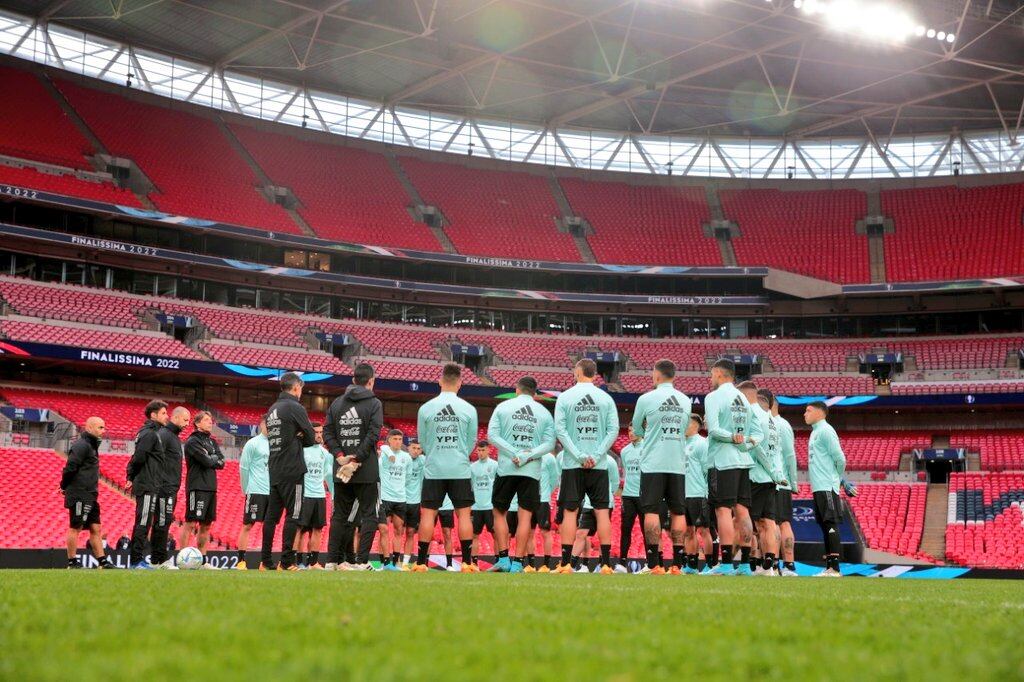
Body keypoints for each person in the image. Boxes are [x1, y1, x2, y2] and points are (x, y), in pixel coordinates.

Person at [553, 358, 619, 575]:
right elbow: (613, 430)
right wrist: (597, 454)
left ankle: (564, 564)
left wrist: (580, 456)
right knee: (602, 513)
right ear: (595, 373)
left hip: (573, 464)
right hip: (599, 465)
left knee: (570, 512)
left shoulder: (565, 396)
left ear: (578, 372)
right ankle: (607, 565)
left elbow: (560, 431)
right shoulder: (606, 398)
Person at [412, 363, 478, 573]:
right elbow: (472, 442)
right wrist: (458, 453)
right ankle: (467, 563)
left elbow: (423, 440)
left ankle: (421, 563)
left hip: (434, 468)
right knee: (464, 515)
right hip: (459, 468)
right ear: (460, 383)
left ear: (440, 381)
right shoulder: (468, 409)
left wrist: (435, 453)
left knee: (428, 515)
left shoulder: (426, 408)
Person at [487, 375, 557, 573]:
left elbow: (492, 436)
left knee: (499, 512)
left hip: (507, 468)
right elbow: (549, 444)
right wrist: (528, 455)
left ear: (517, 389)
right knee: (525, 518)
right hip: (531, 471)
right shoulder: (543, 412)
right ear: (535, 393)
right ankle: (518, 563)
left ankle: (503, 559)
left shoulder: (503, 407)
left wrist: (513, 453)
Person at [632, 359, 692, 575]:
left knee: (651, 510)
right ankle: (677, 564)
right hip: (677, 463)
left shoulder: (646, 398)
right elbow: (684, 428)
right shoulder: (685, 401)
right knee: (678, 512)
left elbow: (637, 428)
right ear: (674, 376)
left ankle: (654, 563)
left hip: (653, 463)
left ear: (657, 375)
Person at [323, 363, 384, 571]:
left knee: (339, 514)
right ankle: (361, 561)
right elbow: (373, 435)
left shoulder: (336, 403)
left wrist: (340, 456)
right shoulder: (374, 403)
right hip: (365, 470)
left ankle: (332, 561)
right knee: (370, 515)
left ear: (353, 381)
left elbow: (327, 432)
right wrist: (356, 460)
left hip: (341, 469)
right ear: (371, 381)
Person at [704, 359, 761, 576]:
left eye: (711, 375)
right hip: (743, 461)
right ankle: (745, 564)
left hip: (722, 460)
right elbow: (758, 432)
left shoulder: (714, 397)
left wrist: (733, 437)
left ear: (719, 373)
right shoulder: (744, 400)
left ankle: (726, 563)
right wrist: (746, 442)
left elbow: (713, 430)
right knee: (743, 511)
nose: (710, 379)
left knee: (723, 510)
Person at [262, 372, 317, 571]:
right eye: (301, 388)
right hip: (292, 469)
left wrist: (296, 436)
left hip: (275, 468)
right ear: (295, 388)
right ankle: (286, 562)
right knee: (293, 515)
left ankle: (265, 561)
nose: (301, 392)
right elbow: (311, 437)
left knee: (271, 517)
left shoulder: (272, 409)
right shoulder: (295, 407)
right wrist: (300, 436)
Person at [739, 384, 786, 576]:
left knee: (745, 520)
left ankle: (742, 564)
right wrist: (775, 473)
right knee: (767, 523)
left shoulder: (753, 413)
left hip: (757, 474)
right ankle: (769, 566)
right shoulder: (771, 419)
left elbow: (757, 447)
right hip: (769, 478)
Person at [61, 417, 113, 569]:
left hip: (91, 494)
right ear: (89, 428)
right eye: (100, 428)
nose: (103, 431)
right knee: (75, 527)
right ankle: (72, 562)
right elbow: (70, 467)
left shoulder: (91, 445)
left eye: (104, 428)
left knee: (96, 528)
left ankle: (102, 562)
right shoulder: (81, 445)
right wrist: (63, 485)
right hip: (79, 493)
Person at [805, 401, 847, 577]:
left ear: (820, 413)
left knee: (830, 523)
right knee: (824, 524)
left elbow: (840, 459)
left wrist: (836, 480)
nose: (804, 414)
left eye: (808, 410)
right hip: (818, 486)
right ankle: (830, 567)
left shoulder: (826, 431)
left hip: (826, 486)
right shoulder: (815, 432)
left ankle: (835, 568)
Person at [180, 410, 225, 569]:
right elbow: (207, 461)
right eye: (206, 420)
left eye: (211, 420)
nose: (210, 422)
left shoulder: (212, 442)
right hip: (197, 486)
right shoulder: (192, 441)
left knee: (206, 525)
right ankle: (183, 559)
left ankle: (203, 561)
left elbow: (222, 462)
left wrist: (212, 458)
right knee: (191, 523)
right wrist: (212, 458)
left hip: (211, 487)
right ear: (197, 423)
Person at [126, 400, 168, 570]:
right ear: (153, 415)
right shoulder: (150, 434)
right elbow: (138, 457)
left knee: (145, 522)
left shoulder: (152, 433)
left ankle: (138, 560)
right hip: (147, 484)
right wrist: (131, 475)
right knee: (143, 522)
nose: (167, 416)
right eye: (164, 413)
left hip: (151, 483)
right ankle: (136, 561)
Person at [570, 455, 620, 573]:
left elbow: (615, 482)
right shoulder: (586, 460)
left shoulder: (610, 461)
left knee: (603, 535)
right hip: (588, 503)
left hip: (605, 503)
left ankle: (603, 565)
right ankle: (571, 565)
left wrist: (607, 495)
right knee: (581, 533)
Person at [153, 406, 189, 569]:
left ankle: (158, 559)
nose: (187, 424)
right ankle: (159, 560)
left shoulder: (173, 436)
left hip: (171, 487)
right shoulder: (164, 435)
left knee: (165, 522)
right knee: (162, 522)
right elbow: (156, 460)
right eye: (185, 419)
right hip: (164, 488)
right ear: (175, 418)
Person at [768, 392, 798, 576]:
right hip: (767, 481)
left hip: (781, 482)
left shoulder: (782, 425)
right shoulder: (765, 424)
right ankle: (776, 564)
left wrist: (793, 481)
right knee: (771, 523)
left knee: (782, 523)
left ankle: (788, 565)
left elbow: (790, 455)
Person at [294, 422, 333, 569]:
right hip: (305, 494)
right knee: (301, 530)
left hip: (319, 495)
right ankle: (298, 562)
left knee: (318, 529)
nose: (319, 435)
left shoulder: (325, 454)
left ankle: (313, 562)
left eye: (320, 432)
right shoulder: (302, 450)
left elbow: (327, 474)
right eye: (316, 432)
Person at [682, 414, 715, 574]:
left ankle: (709, 564)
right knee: (688, 531)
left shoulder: (702, 443)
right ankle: (692, 564)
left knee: (703, 530)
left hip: (699, 494)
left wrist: (707, 493)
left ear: (695, 425)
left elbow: (706, 470)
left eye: (687, 423)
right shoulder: (680, 444)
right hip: (683, 494)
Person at [236, 418, 269, 570]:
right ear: (261, 424)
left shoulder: (278, 445)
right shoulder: (253, 443)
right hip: (256, 490)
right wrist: (245, 489)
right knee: (248, 525)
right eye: (267, 423)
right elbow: (244, 467)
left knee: (269, 527)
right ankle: (241, 561)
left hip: (273, 492)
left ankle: (265, 562)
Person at [379, 429, 411, 571]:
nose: (398, 441)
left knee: (399, 531)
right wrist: (390, 453)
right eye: (395, 439)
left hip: (400, 498)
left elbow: (408, 477)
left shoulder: (407, 457)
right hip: (385, 497)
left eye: (400, 439)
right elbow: (382, 447)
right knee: (384, 530)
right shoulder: (384, 455)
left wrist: (399, 488)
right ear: (389, 440)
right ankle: (385, 562)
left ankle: (396, 561)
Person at [530, 448, 561, 572]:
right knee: (528, 533)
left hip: (543, 500)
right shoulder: (529, 455)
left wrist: (546, 493)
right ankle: (530, 565)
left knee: (545, 532)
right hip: (529, 500)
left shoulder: (549, 458)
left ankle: (546, 565)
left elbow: (554, 480)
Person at [617, 427, 642, 572]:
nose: (631, 433)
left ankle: (650, 563)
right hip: (628, 496)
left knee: (647, 529)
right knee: (625, 529)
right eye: (629, 430)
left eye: (634, 430)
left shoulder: (647, 447)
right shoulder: (624, 451)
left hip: (644, 495)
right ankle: (621, 563)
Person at [469, 440, 497, 566]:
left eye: (483, 450)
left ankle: (498, 562)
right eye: (479, 450)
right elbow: (470, 487)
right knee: (474, 535)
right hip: (476, 506)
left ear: (488, 450)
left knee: (496, 535)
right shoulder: (472, 467)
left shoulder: (495, 465)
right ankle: (474, 564)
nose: (480, 453)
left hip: (491, 506)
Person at [401, 439, 426, 569]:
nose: (416, 451)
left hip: (415, 502)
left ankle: (405, 563)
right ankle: (392, 561)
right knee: (397, 531)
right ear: (408, 448)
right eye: (414, 448)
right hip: (401, 500)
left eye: (419, 449)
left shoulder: (423, 460)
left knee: (410, 532)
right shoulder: (403, 458)